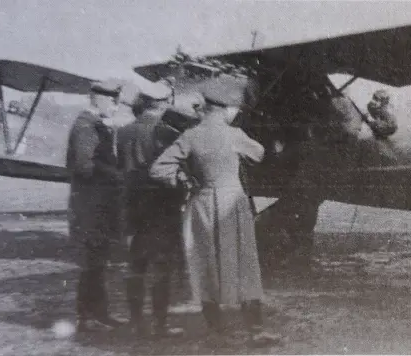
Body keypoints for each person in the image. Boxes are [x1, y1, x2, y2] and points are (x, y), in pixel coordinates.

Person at [149, 86, 280, 345]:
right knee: (245, 264)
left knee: (205, 264)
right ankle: (255, 329)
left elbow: (158, 169)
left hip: (202, 205)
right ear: (225, 110)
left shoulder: (191, 135)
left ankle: (216, 331)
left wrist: (185, 180)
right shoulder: (234, 134)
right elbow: (260, 153)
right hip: (233, 203)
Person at [118, 91, 188, 338]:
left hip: (132, 206)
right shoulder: (167, 133)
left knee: (136, 265)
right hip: (161, 208)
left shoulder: (123, 131)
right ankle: (160, 324)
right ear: (162, 105)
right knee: (161, 266)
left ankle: (136, 321)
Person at [66, 81, 128, 332]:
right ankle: (90, 315)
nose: (114, 106)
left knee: (96, 261)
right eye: (112, 101)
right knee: (93, 261)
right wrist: (115, 175)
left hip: (95, 203)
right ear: (98, 99)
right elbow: (83, 165)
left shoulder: (93, 125)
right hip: (91, 205)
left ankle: (95, 314)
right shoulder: (86, 126)